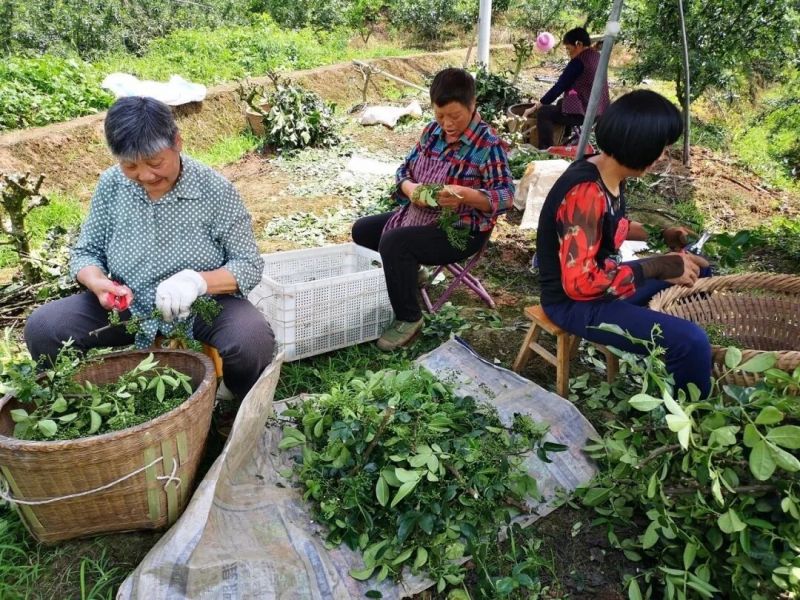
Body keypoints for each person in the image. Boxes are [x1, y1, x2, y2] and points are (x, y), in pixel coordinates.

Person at [24, 96, 274, 402]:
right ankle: (75, 404)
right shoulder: (112, 185)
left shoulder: (216, 191)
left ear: (178, 142)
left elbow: (248, 264)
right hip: (129, 303)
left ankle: (233, 397)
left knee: (251, 338)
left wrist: (196, 282)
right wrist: (98, 283)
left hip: (202, 305)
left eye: (155, 162)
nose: (145, 176)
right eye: (130, 165)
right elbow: (86, 252)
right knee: (44, 327)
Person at [536, 89, 712, 396]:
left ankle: (676, 356)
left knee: (701, 273)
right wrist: (657, 266)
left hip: (602, 285)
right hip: (574, 305)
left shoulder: (606, 171)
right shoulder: (585, 192)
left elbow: (611, 225)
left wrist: (661, 235)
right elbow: (580, 284)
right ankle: (696, 419)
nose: (661, 157)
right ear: (639, 148)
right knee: (691, 341)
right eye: (660, 149)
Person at [352, 68, 514, 351]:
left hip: (462, 229)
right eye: (440, 115)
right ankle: (411, 272)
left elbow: (506, 196)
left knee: (395, 242)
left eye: (455, 116)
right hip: (420, 215)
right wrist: (411, 189)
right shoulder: (431, 132)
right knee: (362, 230)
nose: (447, 124)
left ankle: (409, 317)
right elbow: (404, 170)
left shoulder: (488, 145)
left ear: (472, 105)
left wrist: (466, 195)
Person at [524, 27, 610, 149]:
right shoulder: (597, 56)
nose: (568, 53)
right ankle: (565, 137)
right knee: (561, 103)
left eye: (568, 49)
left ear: (578, 44)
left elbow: (559, 87)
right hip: (601, 110)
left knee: (544, 112)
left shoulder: (578, 62)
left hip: (587, 113)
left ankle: (546, 149)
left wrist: (535, 107)